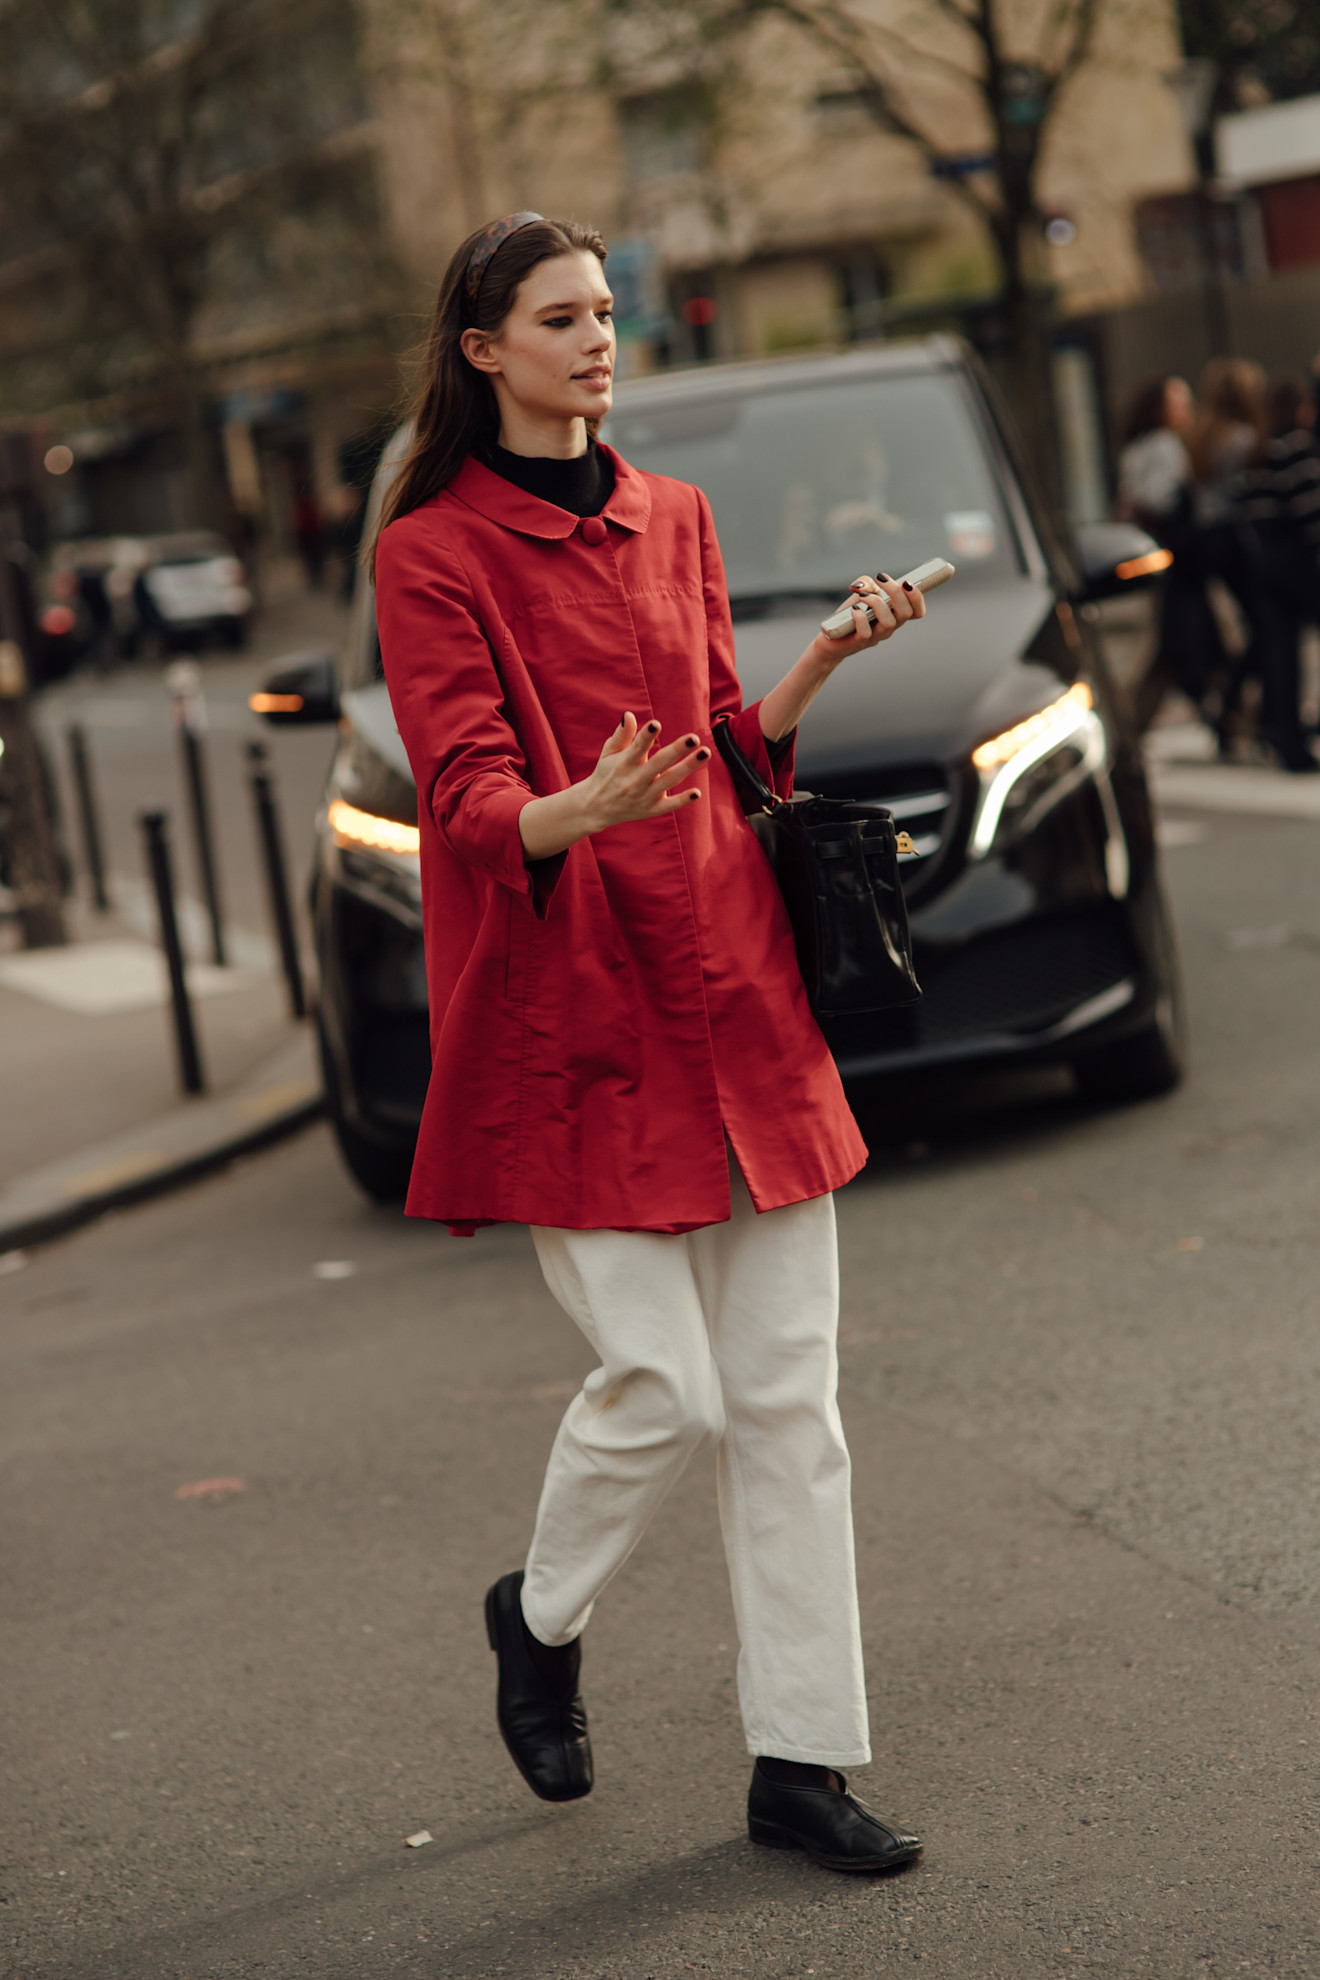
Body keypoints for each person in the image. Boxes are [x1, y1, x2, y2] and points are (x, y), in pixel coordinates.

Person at [373, 212, 926, 1874]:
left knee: (789, 1408)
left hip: (743, 1002)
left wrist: (823, 655)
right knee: (665, 1394)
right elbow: (467, 802)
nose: (600, 339)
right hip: (576, 1024)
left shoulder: (674, 515)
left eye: (607, 312)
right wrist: (579, 808)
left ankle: (802, 1764)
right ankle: (537, 1618)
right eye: (562, 318)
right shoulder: (430, 554)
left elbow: (727, 754)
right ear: (485, 350)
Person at [1235, 378, 1320, 770]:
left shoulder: (1257, 451)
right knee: (1284, 652)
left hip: (1265, 561)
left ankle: (1288, 741)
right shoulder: (1295, 448)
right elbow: (1311, 510)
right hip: (1299, 560)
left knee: (1282, 654)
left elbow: (1245, 508)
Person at [1114, 376, 1201, 731]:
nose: (1187, 409)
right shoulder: (1165, 445)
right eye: (1179, 402)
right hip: (1179, 558)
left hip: (1153, 556)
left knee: (1173, 642)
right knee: (1185, 641)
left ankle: (1233, 717)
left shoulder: (1135, 447)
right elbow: (1159, 498)